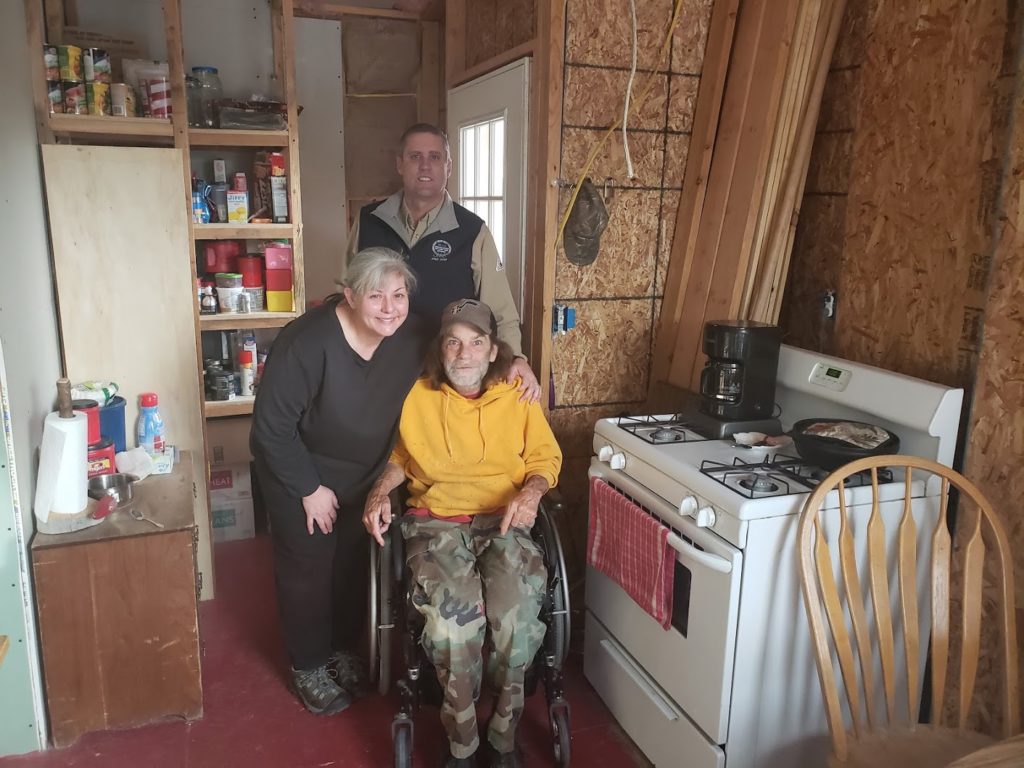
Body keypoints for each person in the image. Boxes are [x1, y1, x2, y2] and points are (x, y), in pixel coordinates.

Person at [362, 298, 562, 768]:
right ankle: (463, 743)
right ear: (441, 348)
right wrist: (377, 494)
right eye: (454, 342)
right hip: (437, 522)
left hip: (504, 519)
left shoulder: (518, 395)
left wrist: (532, 493)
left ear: (495, 351)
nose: (464, 354)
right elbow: (403, 458)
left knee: (517, 617)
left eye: (476, 342)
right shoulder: (418, 395)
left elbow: (544, 459)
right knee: (454, 626)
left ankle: (503, 733)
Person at [250, 247, 426, 716]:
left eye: (399, 294)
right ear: (348, 295)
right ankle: (308, 663)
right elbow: (270, 428)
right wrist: (309, 488)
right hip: (297, 468)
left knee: (353, 559)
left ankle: (343, 649)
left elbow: (467, 343)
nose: (390, 307)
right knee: (308, 564)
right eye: (375, 296)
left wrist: (514, 362)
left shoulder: (410, 337)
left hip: (363, 473)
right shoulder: (306, 343)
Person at [345, 122, 541, 403]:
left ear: (448, 166)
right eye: (415, 157)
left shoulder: (473, 231)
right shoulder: (368, 222)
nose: (425, 166)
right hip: (376, 373)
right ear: (400, 164)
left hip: (443, 381)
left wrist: (517, 358)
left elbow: (501, 312)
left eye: (435, 157)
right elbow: (345, 295)